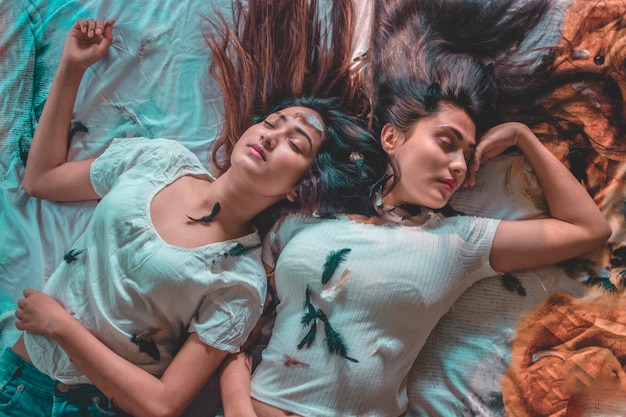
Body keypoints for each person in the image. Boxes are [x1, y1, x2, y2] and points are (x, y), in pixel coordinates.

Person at [212, 4, 612, 417]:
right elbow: (236, 334)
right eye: (447, 141)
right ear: (390, 136)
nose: (460, 164)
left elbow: (587, 228)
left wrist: (522, 138)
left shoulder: (459, 242)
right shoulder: (305, 217)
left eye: (469, 153)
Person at [2, 9, 388, 417]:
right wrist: (72, 66)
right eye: (273, 123)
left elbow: (163, 404)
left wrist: (61, 327)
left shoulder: (241, 281)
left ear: (299, 187)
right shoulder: (160, 160)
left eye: (296, 143)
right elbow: (41, 179)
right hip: (20, 382)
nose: (272, 137)